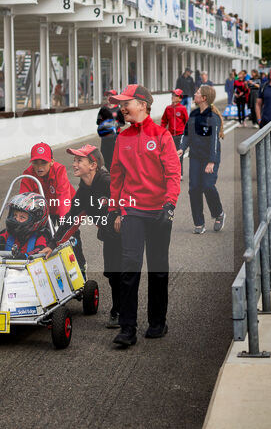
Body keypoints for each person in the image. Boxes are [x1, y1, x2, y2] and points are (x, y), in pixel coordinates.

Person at [107, 85, 180, 347]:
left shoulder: (162, 135)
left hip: (159, 210)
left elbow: (173, 173)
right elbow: (116, 177)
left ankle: (158, 323)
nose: (122, 108)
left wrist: (169, 205)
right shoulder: (122, 138)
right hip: (132, 212)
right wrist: (115, 209)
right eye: (120, 104)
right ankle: (127, 328)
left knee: (158, 270)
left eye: (126, 103)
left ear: (143, 104)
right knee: (129, 269)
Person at [61, 144, 119, 327]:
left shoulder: (108, 182)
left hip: (127, 233)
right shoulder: (84, 189)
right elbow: (70, 218)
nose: (74, 164)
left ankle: (120, 312)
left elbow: (129, 198)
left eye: (79, 160)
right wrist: (51, 242)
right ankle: (119, 309)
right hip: (109, 235)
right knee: (112, 274)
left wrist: (120, 215)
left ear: (93, 165)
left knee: (124, 274)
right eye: (74, 160)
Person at [179, 85, 225, 234]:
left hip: (210, 158)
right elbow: (186, 135)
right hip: (195, 157)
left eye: (198, 92)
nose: (195, 94)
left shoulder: (213, 118)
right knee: (194, 189)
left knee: (208, 186)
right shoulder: (193, 114)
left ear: (204, 98)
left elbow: (214, 142)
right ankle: (199, 223)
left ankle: (219, 213)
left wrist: (211, 161)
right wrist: (181, 148)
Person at [0, 192, 51, 258]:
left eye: (22, 217)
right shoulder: (7, 234)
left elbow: (40, 249)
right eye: (15, 215)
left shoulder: (41, 236)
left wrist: (25, 256)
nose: (16, 219)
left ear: (35, 220)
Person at [160, 89, 188, 175]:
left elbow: (187, 122)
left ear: (180, 98)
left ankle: (180, 173)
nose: (173, 97)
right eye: (172, 95)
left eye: (175, 95)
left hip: (180, 135)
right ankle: (171, 172)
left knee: (179, 155)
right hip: (170, 135)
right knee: (170, 155)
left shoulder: (182, 108)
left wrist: (187, 133)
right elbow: (164, 121)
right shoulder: (168, 108)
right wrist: (162, 131)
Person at [96, 90, 126, 170]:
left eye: (111, 96)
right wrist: (104, 124)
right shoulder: (103, 109)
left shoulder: (118, 110)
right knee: (105, 156)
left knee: (115, 156)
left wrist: (114, 124)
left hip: (115, 137)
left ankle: (115, 172)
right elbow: (98, 121)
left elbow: (122, 122)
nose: (109, 97)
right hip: (105, 137)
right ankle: (110, 171)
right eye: (108, 96)